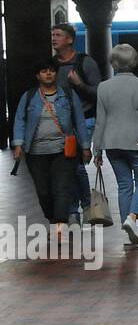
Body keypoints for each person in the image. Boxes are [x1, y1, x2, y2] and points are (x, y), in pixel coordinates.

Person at [12, 57, 91, 246]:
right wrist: (18, 144)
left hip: (64, 150)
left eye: (51, 70)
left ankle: (61, 226)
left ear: (56, 73)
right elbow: (20, 120)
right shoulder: (29, 96)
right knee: (43, 191)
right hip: (36, 152)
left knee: (62, 188)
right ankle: (53, 220)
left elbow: (79, 121)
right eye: (43, 71)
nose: (48, 73)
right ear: (37, 75)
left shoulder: (68, 95)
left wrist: (86, 146)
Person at [93, 44, 138, 247]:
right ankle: (132, 218)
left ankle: (129, 233)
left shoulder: (103, 87)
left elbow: (100, 121)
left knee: (124, 185)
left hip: (111, 142)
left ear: (114, 62)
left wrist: (97, 148)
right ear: (134, 61)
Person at [52, 23, 101, 221]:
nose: (54, 38)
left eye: (58, 35)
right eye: (53, 35)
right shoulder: (52, 65)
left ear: (70, 39)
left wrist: (79, 84)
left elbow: (98, 92)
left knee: (76, 165)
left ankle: (81, 206)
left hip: (85, 120)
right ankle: (77, 207)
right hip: (61, 124)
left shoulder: (84, 62)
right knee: (69, 166)